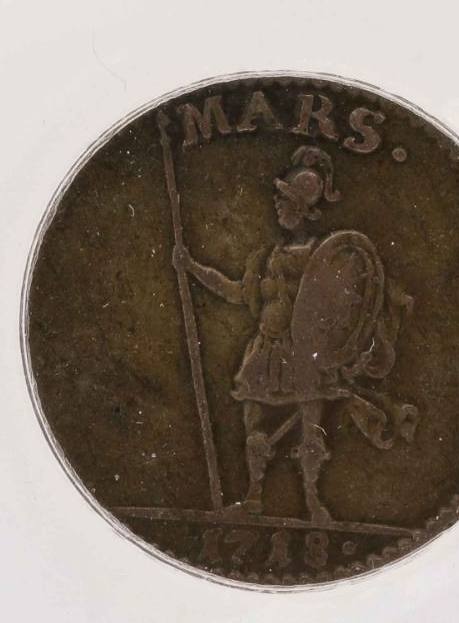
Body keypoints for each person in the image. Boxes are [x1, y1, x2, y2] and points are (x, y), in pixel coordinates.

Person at [175, 146, 415, 524]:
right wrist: (192, 268)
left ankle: (313, 501)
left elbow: (344, 310)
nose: (277, 205)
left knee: (311, 434)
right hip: (265, 352)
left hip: (307, 356)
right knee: (254, 429)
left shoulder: (325, 257)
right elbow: (236, 292)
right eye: (279, 198)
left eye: (284, 200)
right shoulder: (266, 256)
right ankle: (254, 497)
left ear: (302, 209)